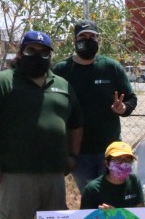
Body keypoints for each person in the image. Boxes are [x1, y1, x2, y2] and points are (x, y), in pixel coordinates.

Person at [0, 30, 83, 219]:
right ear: (21, 52)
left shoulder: (62, 84)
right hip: (15, 172)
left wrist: (73, 154)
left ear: (50, 55)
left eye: (43, 51)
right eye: (30, 50)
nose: (37, 56)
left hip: (54, 173)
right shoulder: (6, 81)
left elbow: (76, 123)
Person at [53, 20, 137, 192]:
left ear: (99, 40)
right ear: (74, 41)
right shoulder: (62, 70)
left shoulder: (110, 67)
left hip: (110, 150)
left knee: (114, 196)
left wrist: (124, 108)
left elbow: (130, 98)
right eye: (83, 36)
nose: (88, 40)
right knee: (90, 197)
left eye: (92, 36)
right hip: (78, 151)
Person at [80, 141, 143, 210]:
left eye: (128, 160)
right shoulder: (92, 189)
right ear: (107, 163)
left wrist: (116, 214)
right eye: (118, 159)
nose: (123, 163)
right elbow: (86, 218)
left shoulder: (134, 181)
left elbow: (140, 211)